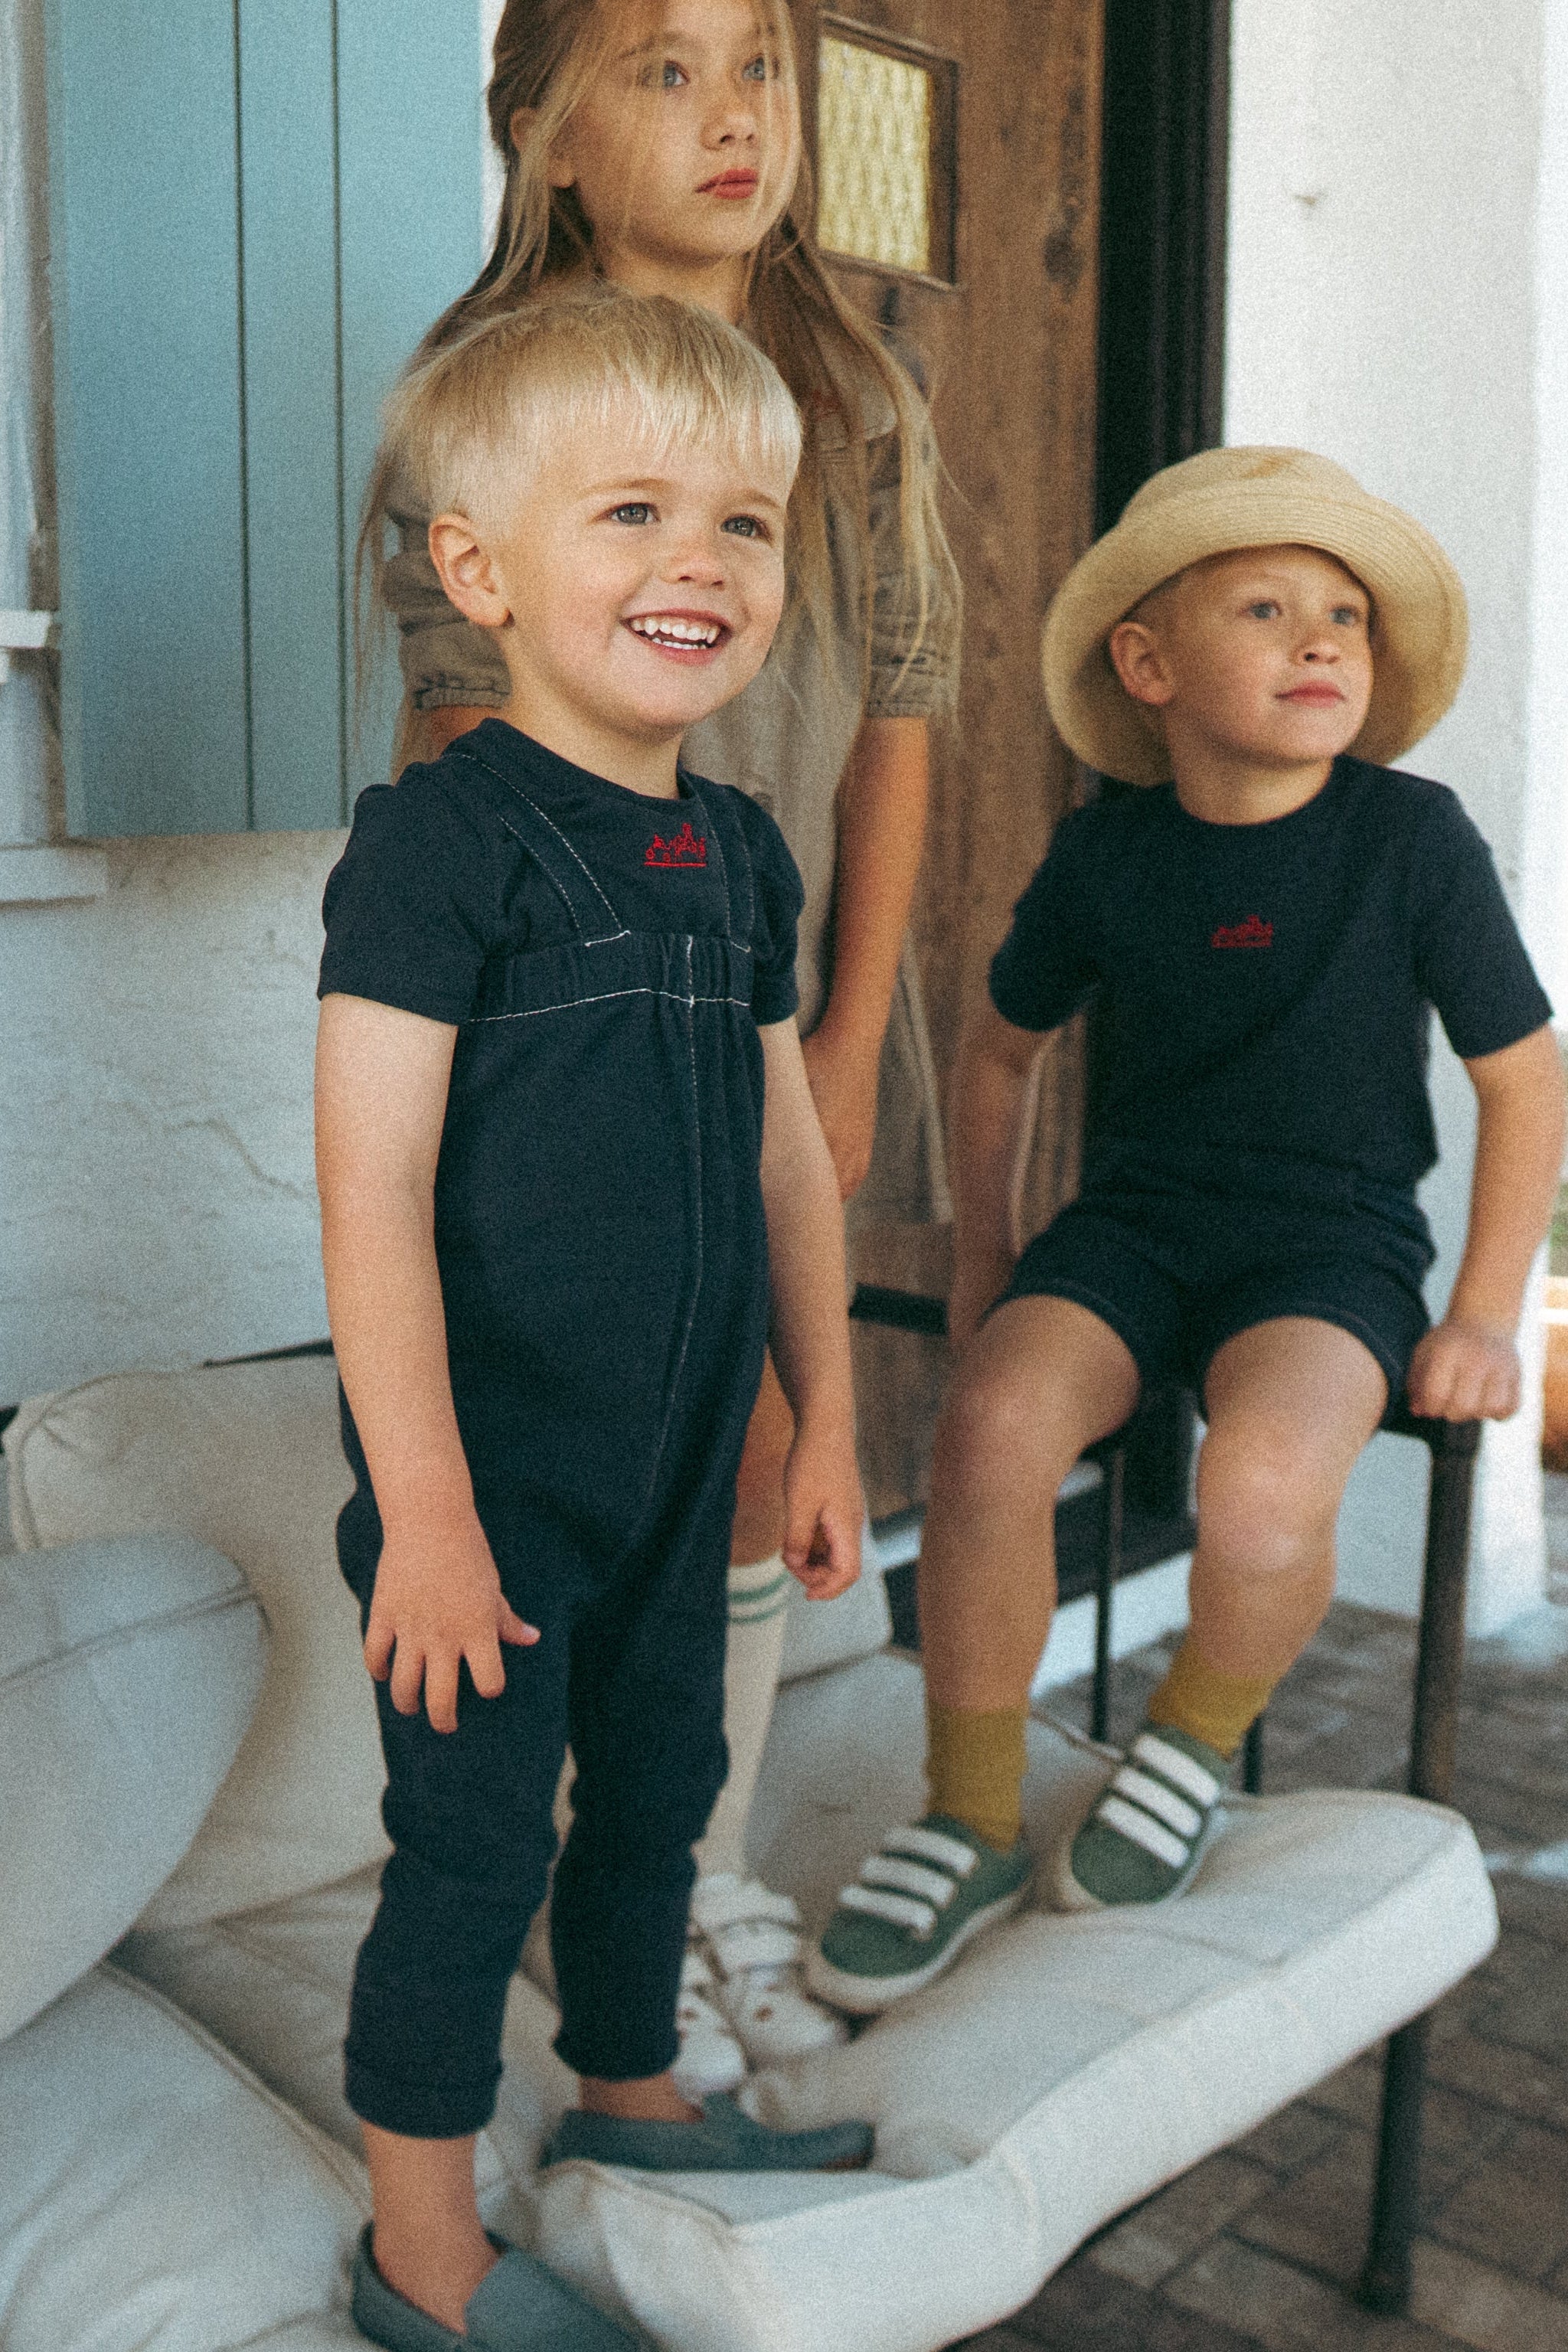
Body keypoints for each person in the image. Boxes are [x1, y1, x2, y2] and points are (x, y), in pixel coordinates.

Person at [365, 0, 960, 2091]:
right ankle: (542, 1885)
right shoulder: (485, 405)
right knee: (571, 1443)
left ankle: (678, 1876)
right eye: (664, 68)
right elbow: (464, 739)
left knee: (750, 1457)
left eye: (759, 67)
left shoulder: (856, 405)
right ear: (544, 132)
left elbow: (898, 719)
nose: (732, 114)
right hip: (572, 1030)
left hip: (771, 1002)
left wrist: (842, 1044)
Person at [809, 445, 1566, 2016]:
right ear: (1147, 666)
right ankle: (971, 1811)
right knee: (992, 1423)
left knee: (1266, 1482)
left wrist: (1486, 1313)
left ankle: (1189, 1742)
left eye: (1346, 616)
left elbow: (1527, 1077)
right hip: (1133, 1231)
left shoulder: (1409, 840)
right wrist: (985, 1258)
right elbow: (998, 1051)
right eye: (1267, 608)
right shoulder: (1107, 854)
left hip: (1327, 1249)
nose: (1321, 640)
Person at [318, 292, 875, 2352]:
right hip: (490, 1488)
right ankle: (422, 2247)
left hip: (677, 1476)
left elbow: (791, 1159)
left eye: (743, 521)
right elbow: (369, 1190)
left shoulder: (738, 853)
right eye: (631, 510)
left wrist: (826, 1419)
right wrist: (427, 1512)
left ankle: (629, 2093)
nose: (696, 560)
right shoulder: (441, 843)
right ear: (481, 571)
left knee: (657, 1796)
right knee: (473, 1849)